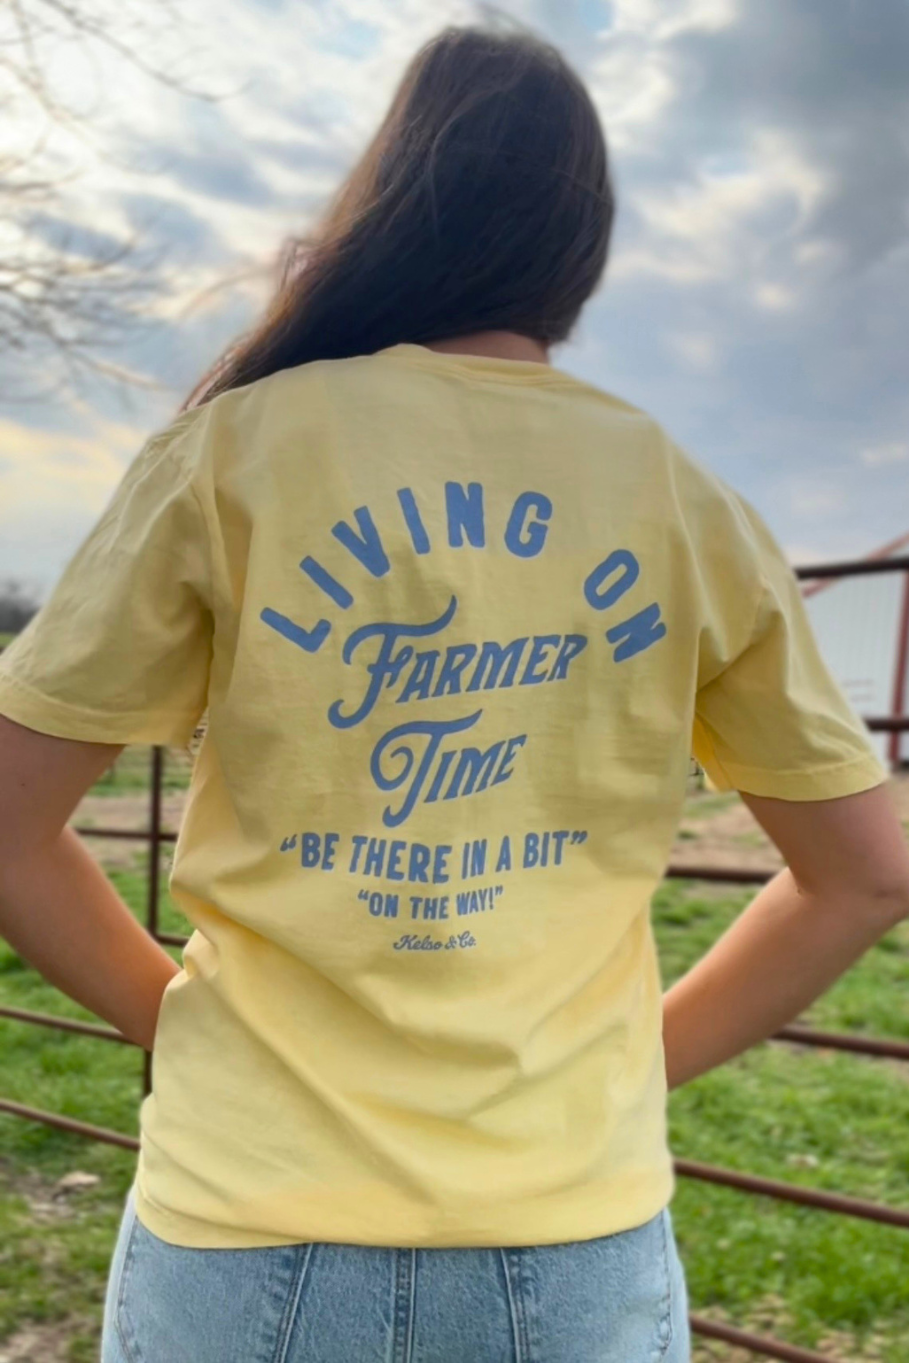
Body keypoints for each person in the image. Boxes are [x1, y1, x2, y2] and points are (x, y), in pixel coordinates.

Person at [0, 21, 906, 1363]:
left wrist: (177, 1023)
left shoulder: (232, 453)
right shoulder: (679, 496)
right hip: (572, 1235)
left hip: (246, 1219)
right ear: (580, 247)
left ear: (386, 204)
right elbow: (865, 876)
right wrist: (627, 1069)